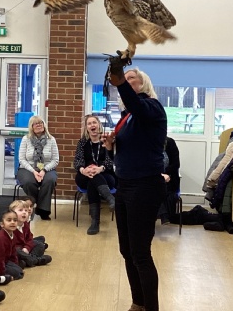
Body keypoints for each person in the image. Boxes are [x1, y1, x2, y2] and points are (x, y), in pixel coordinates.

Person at [102, 60, 167, 311]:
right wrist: (111, 147)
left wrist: (119, 80)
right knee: (127, 251)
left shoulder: (151, 107)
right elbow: (126, 152)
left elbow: (136, 104)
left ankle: (150, 307)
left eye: (132, 79)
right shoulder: (127, 116)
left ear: (144, 84)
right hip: (125, 184)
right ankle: (138, 303)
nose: (127, 82)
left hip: (145, 186)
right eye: (124, 78)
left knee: (140, 253)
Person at [74, 114, 116, 235]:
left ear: (99, 125)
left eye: (94, 123)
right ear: (86, 128)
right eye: (89, 123)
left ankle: (95, 222)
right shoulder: (82, 142)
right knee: (91, 179)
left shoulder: (106, 141)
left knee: (93, 182)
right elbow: (77, 160)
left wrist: (100, 169)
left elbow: (111, 160)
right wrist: (83, 170)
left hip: (105, 175)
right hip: (84, 175)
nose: (92, 125)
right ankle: (110, 198)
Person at [16, 116, 59, 220]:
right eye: (36, 123)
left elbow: (55, 160)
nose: (39, 125)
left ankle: (43, 211)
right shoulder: (26, 139)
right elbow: (21, 159)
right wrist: (33, 171)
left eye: (41, 123)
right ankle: (38, 205)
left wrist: (44, 170)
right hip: (27, 168)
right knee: (28, 182)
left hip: (47, 168)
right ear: (31, 127)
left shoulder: (51, 139)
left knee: (49, 181)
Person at [9, 200, 52, 268]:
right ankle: (35, 260)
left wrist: (27, 248)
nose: (24, 212)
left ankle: (29, 260)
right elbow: (10, 246)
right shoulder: (10, 227)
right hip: (15, 251)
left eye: (26, 210)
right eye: (20, 210)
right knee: (16, 250)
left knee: (40, 245)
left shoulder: (25, 224)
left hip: (24, 249)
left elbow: (30, 238)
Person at [0, 210, 24, 280]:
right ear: (2, 224)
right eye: (9, 220)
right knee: (17, 273)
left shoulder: (13, 236)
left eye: (15, 220)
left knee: (19, 270)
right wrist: (2, 273)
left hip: (6, 261)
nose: (12, 222)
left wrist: (16, 265)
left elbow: (13, 254)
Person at [158, 136, 180, 225]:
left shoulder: (170, 143)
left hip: (169, 177)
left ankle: (163, 214)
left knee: (160, 188)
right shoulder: (148, 144)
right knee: (154, 187)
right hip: (154, 177)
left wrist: (165, 173)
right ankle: (164, 215)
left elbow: (176, 164)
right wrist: (160, 175)